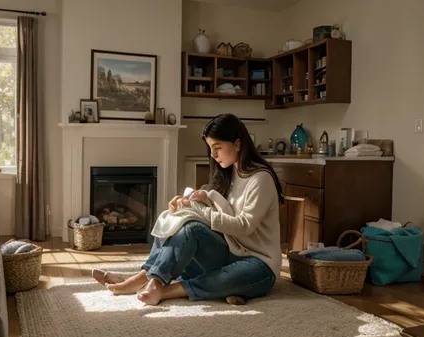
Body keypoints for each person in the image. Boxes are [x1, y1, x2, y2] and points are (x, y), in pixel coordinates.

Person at [93, 113, 284, 306]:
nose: (213, 155)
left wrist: (203, 212)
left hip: (258, 263)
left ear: (237, 143)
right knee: (178, 223)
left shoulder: (260, 179)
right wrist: (184, 203)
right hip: (231, 251)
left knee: (210, 255)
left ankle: (161, 289)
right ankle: (145, 278)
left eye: (217, 148)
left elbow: (244, 226)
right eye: (211, 149)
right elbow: (215, 203)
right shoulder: (230, 174)